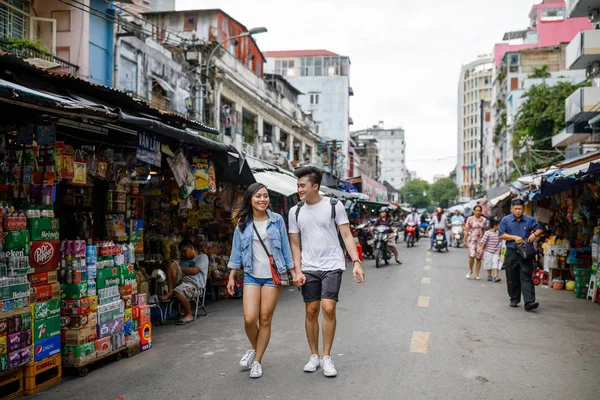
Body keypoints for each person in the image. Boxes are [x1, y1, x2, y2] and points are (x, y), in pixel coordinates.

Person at [289, 166, 365, 378]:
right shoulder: (294, 211)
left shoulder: (334, 205)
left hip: (332, 264)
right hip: (309, 266)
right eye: (298, 186)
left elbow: (347, 235)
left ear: (315, 186)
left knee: (328, 308)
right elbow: (295, 244)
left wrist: (356, 262)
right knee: (311, 310)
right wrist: (297, 270)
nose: (299, 189)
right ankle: (314, 355)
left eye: (302, 186)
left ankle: (326, 356)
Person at [227, 183, 295, 379]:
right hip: (251, 275)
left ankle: (257, 360)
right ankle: (254, 348)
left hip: (273, 276)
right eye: (258, 196)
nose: (262, 199)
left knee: (264, 318)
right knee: (249, 319)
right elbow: (236, 251)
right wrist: (231, 276)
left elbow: (285, 248)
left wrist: (294, 272)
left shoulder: (277, 220)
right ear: (250, 199)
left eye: (265, 196)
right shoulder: (242, 223)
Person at [498, 198, 543, 311]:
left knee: (526, 276)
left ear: (523, 209)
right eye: (516, 209)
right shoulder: (505, 220)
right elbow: (501, 235)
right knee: (512, 277)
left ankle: (529, 302)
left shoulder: (529, 219)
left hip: (525, 252)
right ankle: (514, 298)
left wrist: (534, 235)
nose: (518, 211)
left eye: (520, 209)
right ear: (511, 209)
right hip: (511, 251)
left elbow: (539, 229)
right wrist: (514, 237)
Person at [161, 239, 209, 325]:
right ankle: (171, 290)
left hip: (194, 284)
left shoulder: (202, 257)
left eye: (185, 251)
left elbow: (195, 271)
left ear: (191, 248)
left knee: (178, 291)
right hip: (182, 282)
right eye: (182, 252)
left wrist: (179, 268)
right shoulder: (184, 262)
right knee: (171, 264)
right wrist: (173, 267)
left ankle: (189, 314)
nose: (183, 254)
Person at [464, 205, 487, 280]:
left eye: (479, 210)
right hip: (472, 240)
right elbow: (467, 230)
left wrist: (485, 241)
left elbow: (484, 230)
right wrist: (464, 240)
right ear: (474, 211)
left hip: (480, 241)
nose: (478, 212)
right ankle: (470, 270)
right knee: (472, 255)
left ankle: (477, 274)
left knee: (479, 258)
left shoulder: (484, 220)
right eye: (476, 210)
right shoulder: (470, 219)